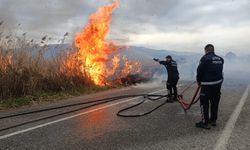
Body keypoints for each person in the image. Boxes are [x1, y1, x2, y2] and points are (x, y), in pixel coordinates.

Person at [196, 44, 224, 129]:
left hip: (207, 86)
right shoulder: (220, 59)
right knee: (215, 103)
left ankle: (204, 122)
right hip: (217, 85)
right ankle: (213, 120)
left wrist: (198, 81)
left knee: (204, 103)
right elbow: (220, 71)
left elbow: (199, 71)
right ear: (213, 50)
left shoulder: (205, 58)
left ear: (206, 50)